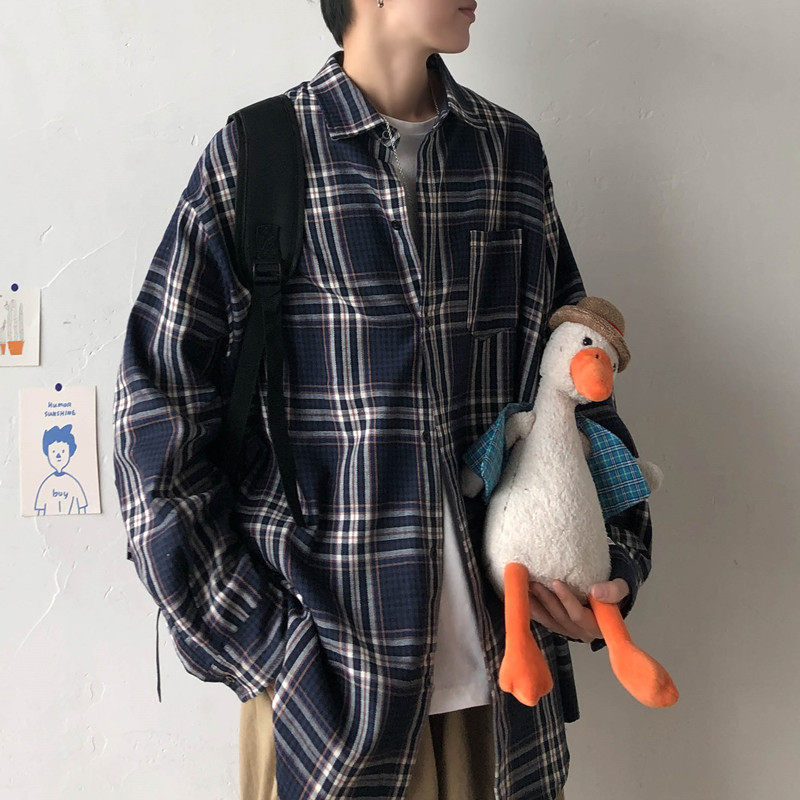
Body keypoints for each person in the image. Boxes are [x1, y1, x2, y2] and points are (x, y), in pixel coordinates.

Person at [113, 1, 653, 798]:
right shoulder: (259, 156)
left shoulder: (509, 157)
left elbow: (576, 375)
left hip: (505, 692)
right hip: (324, 702)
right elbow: (152, 420)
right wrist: (265, 647)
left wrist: (615, 562)